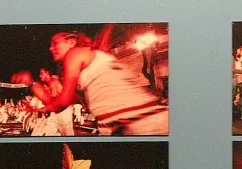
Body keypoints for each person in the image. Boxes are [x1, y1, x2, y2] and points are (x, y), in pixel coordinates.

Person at [37, 28, 167, 135]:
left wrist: (43, 109)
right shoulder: (92, 57)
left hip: (141, 124)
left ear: (71, 42)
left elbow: (64, 101)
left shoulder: (74, 53)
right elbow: (70, 100)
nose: (50, 48)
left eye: (55, 43)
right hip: (143, 122)